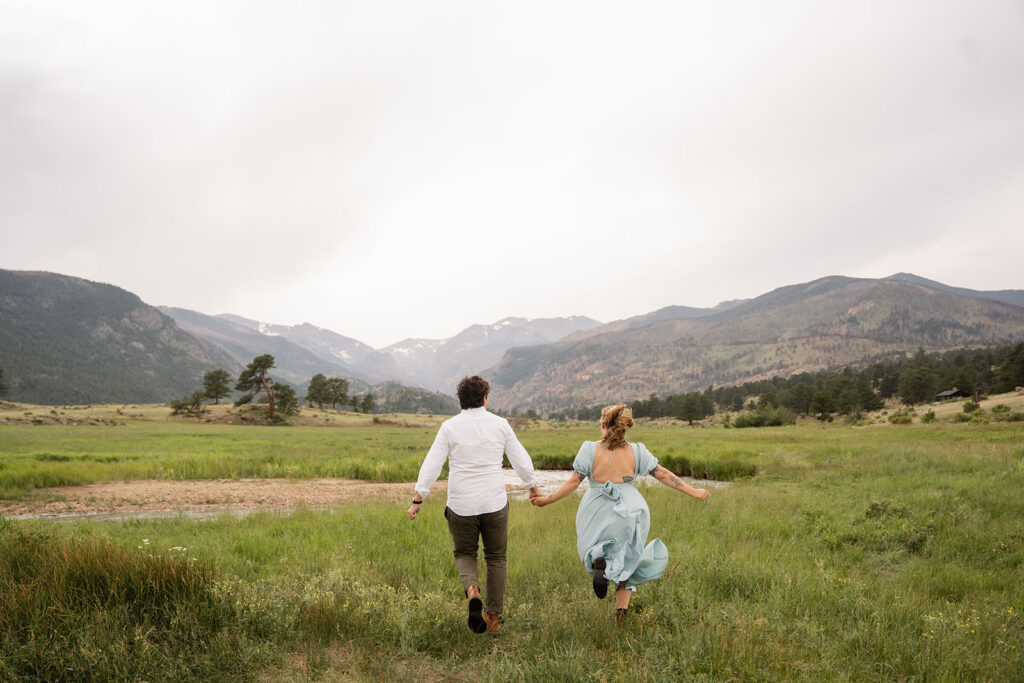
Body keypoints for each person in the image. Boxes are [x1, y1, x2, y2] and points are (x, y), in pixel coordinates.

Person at [531, 403, 709, 623]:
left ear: (603, 425)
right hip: (629, 511)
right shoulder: (637, 451)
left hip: (595, 508)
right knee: (628, 560)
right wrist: (694, 491)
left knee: (595, 547)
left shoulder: (589, 449)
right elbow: (662, 474)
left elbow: (574, 481)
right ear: (624, 429)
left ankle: (599, 561)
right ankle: (621, 614)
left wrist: (547, 500)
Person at [408, 375, 539, 635]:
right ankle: (493, 620)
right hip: (494, 502)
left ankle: (472, 591)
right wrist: (532, 487)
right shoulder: (500, 424)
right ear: (485, 399)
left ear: (460, 401)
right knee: (496, 558)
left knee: (465, 554)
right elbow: (520, 459)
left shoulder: (449, 427)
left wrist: (418, 498)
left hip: (461, 505)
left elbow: (432, 463)